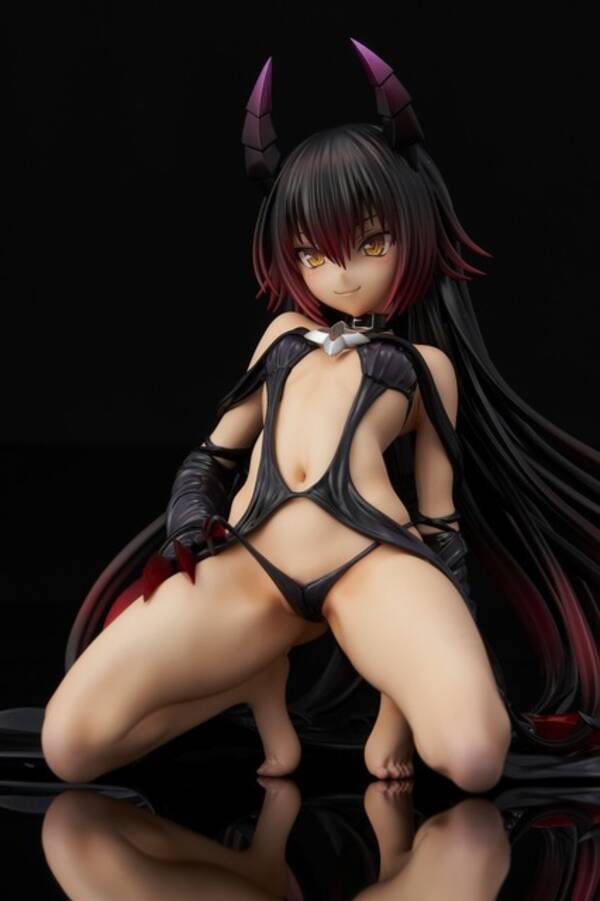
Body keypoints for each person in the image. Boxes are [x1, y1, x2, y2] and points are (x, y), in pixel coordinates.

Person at [40, 39, 600, 789]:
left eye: (371, 243)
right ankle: (246, 682)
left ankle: (383, 691)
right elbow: (212, 455)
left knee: (471, 759)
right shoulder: (282, 338)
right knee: (71, 746)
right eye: (312, 254)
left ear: (413, 228)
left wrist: (397, 705)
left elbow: (441, 521)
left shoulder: (426, 367)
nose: (341, 275)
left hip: (371, 566)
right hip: (250, 566)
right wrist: (189, 533)